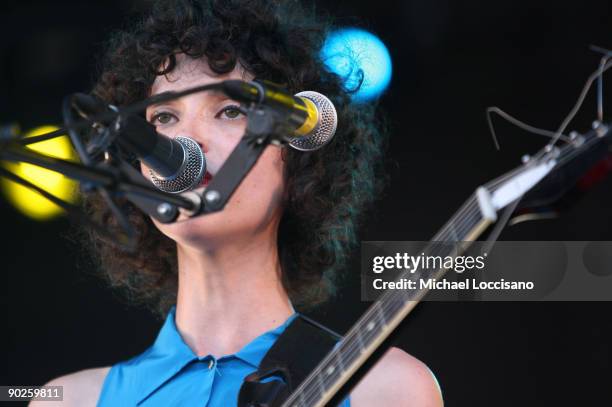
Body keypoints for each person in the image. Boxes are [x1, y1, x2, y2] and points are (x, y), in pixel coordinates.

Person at [32, 0, 444, 406]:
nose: (189, 141)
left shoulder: (382, 388)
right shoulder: (67, 400)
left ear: (298, 150)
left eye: (229, 111)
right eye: (164, 118)